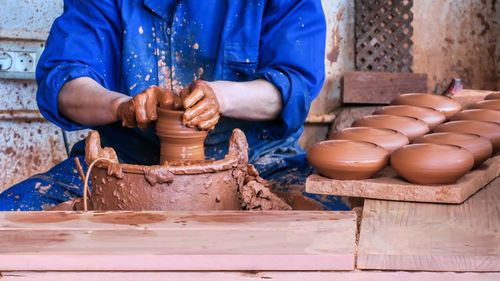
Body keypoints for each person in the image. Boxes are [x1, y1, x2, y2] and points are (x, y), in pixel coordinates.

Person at [0, 0, 348, 211]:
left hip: (257, 162)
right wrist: (123, 107)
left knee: (334, 224)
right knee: (12, 218)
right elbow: (64, 84)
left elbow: (294, 86)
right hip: (125, 163)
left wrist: (221, 96)